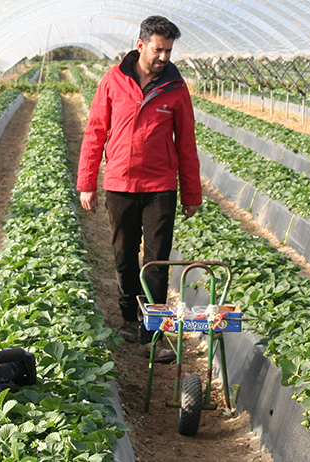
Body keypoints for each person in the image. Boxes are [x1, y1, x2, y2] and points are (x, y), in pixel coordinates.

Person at [77, 15, 202, 363]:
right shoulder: (113, 81)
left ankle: (156, 333)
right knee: (123, 255)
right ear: (141, 45)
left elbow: (186, 144)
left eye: (169, 51)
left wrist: (191, 194)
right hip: (119, 184)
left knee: (157, 261)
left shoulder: (176, 88)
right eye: (158, 50)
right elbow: (94, 133)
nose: (164, 57)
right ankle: (128, 319)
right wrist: (87, 183)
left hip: (160, 186)